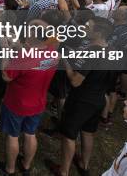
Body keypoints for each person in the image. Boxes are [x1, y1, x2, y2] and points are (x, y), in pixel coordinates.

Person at [0, 19, 59, 176]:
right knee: (30, 133)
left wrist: (6, 53)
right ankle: (26, 166)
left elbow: (6, 76)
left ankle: (9, 170)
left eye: (29, 30)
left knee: (13, 136)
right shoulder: (53, 52)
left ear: (34, 35)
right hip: (38, 102)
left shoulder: (24, 56)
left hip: (17, 103)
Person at [49, 17, 115, 176]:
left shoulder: (92, 52)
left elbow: (75, 81)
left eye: (88, 27)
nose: (85, 29)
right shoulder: (110, 50)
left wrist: (65, 61)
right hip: (98, 99)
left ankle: (63, 170)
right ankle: (84, 165)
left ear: (98, 32)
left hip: (81, 100)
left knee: (69, 135)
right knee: (87, 132)